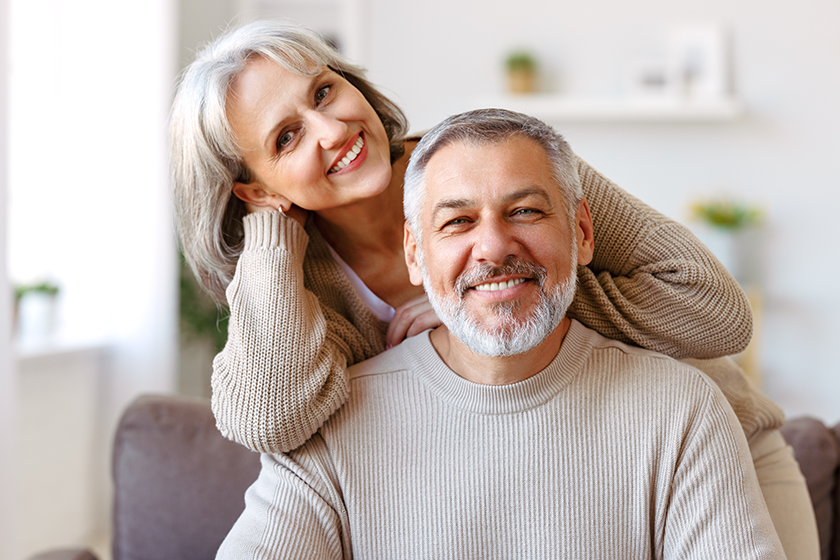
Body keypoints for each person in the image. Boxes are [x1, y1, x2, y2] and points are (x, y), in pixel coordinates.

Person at [169, 20, 817, 558]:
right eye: (286, 138)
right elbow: (269, 420)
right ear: (255, 189)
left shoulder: (498, 164)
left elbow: (717, 311)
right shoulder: (293, 287)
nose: (332, 130)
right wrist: (271, 241)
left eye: (323, 92)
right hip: (526, 465)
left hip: (710, 448)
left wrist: (489, 298)